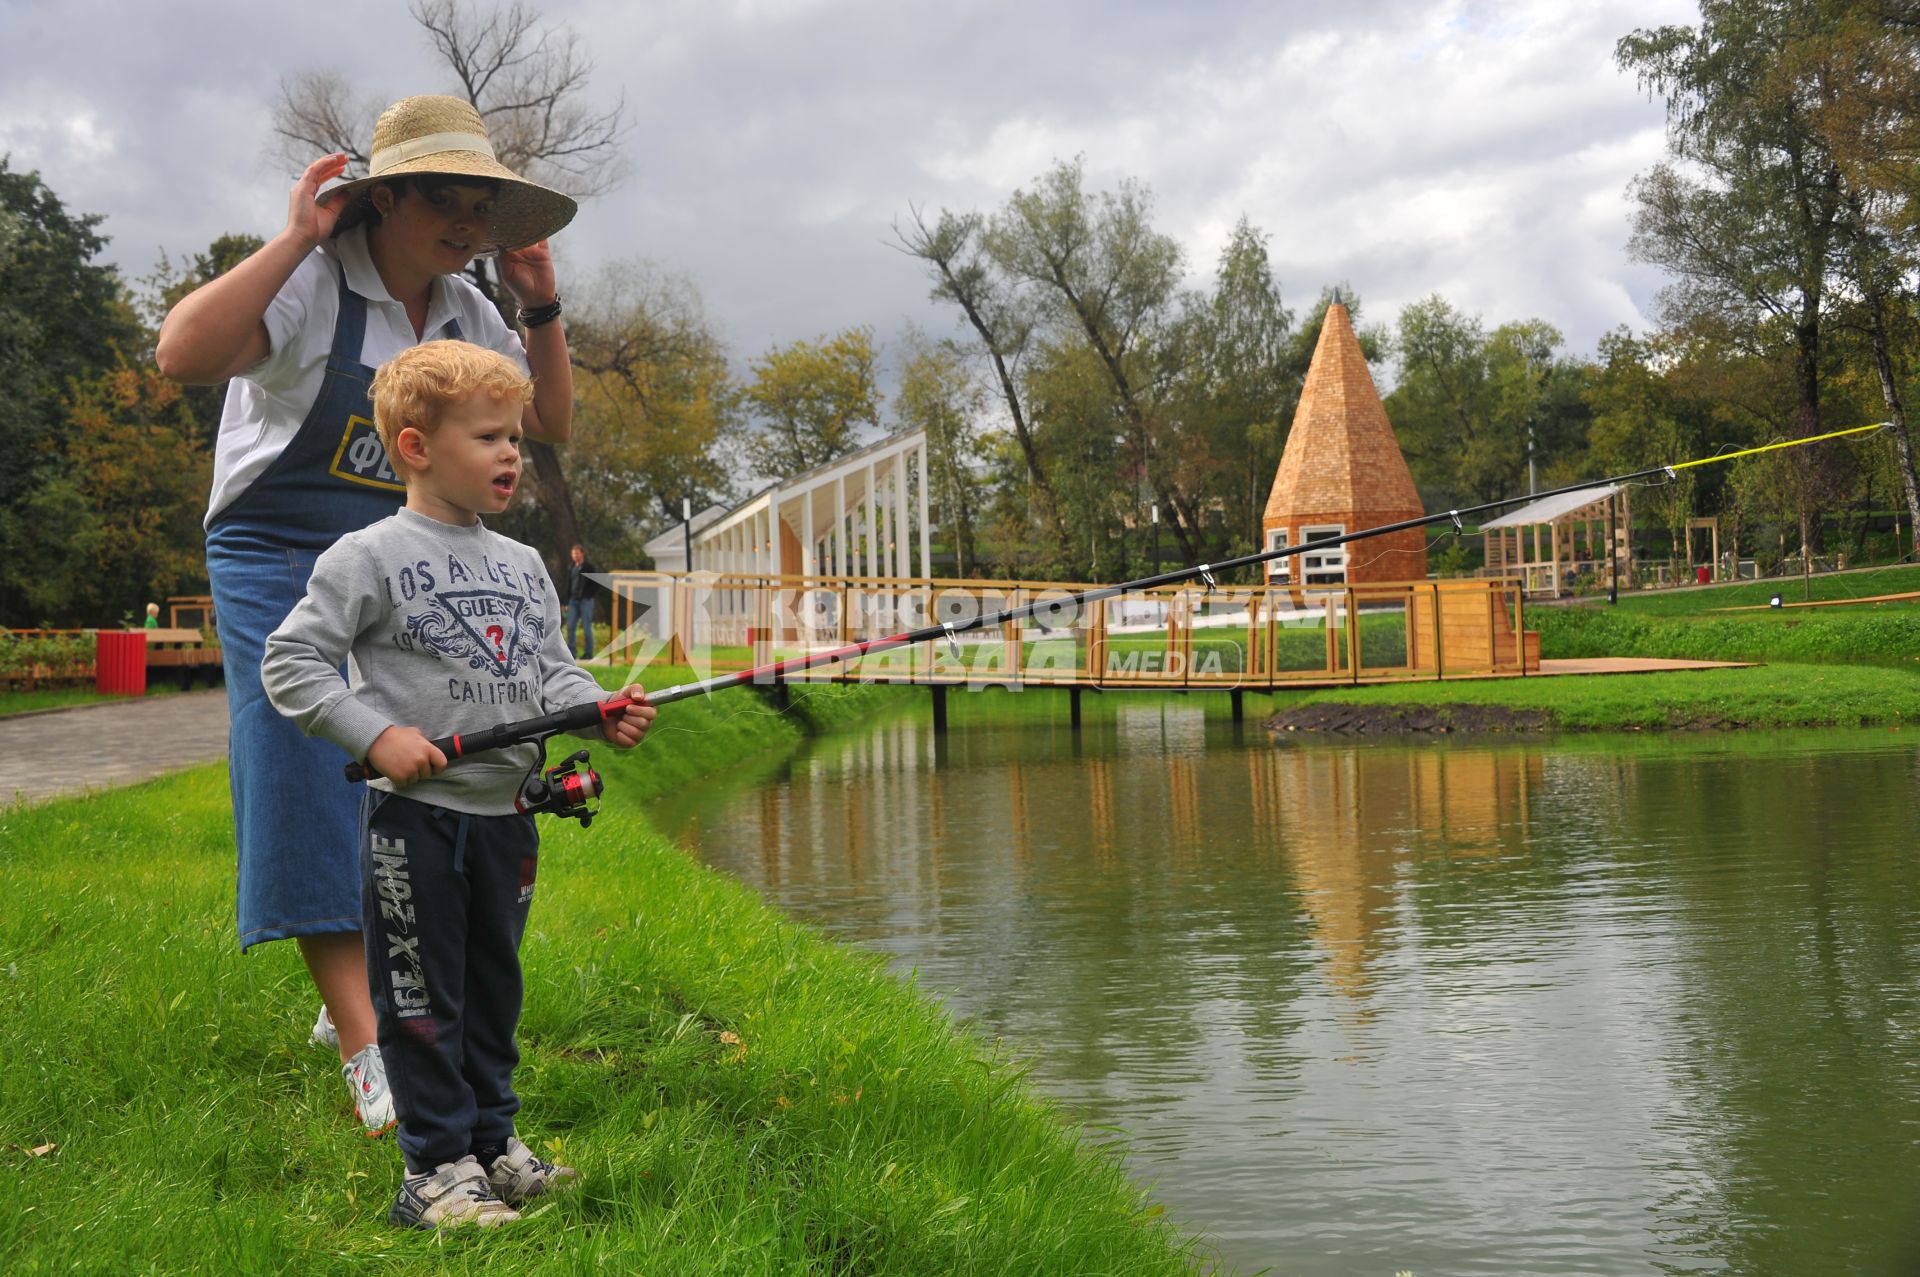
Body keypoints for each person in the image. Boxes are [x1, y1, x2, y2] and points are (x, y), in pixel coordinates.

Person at [155, 95, 577, 1134]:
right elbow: (181, 353)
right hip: (278, 540)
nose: (471, 220)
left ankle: (384, 991)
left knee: (424, 762)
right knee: (306, 751)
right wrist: (297, 233)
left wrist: (541, 307)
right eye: (447, 195)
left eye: (484, 201)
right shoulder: (312, 282)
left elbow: (548, 423)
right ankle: (365, 1044)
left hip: (410, 545)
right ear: (383, 196)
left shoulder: (473, 314)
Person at [261, 341, 656, 1229]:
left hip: (507, 817)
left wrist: (599, 709)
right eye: (489, 437)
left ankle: (491, 1144)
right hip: (417, 822)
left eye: (515, 436)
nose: (512, 453)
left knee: (492, 986)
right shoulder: (366, 555)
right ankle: (433, 1170)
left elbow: (551, 676)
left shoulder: (521, 567)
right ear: (415, 446)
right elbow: (289, 661)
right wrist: (378, 732)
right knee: (420, 993)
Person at [565, 543, 599, 659]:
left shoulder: (589, 568)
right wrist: (566, 602)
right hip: (573, 601)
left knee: (586, 627)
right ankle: (571, 653)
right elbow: (569, 585)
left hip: (586, 601)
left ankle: (588, 652)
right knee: (570, 627)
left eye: (577, 553)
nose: (575, 556)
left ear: (582, 554)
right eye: (573, 554)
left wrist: (589, 595)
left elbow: (596, 584)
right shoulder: (571, 568)